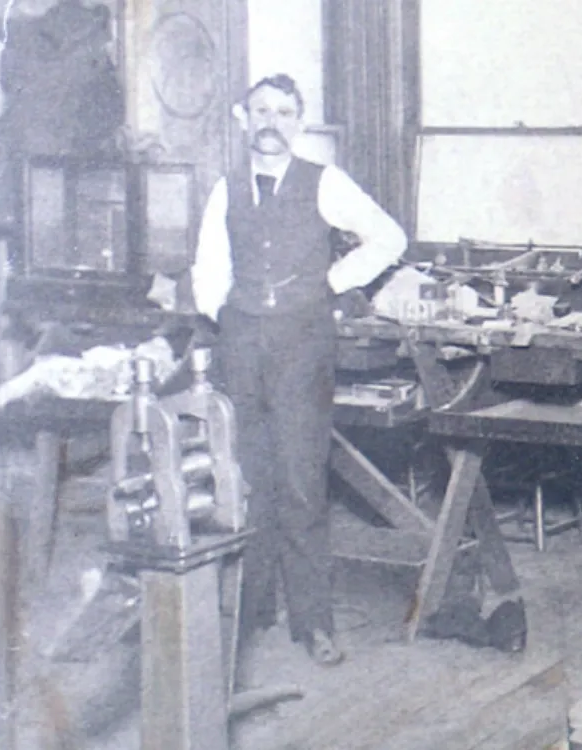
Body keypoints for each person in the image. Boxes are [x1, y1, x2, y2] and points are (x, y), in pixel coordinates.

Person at [190, 74, 408, 666]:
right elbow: (208, 265)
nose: (272, 122)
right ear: (243, 118)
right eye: (261, 110)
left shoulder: (324, 181)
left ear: (299, 122)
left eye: (284, 112)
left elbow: (389, 238)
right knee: (246, 479)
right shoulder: (226, 187)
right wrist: (227, 312)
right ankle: (252, 612)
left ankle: (313, 623)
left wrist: (329, 283)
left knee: (302, 483)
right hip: (241, 344)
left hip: (303, 347)